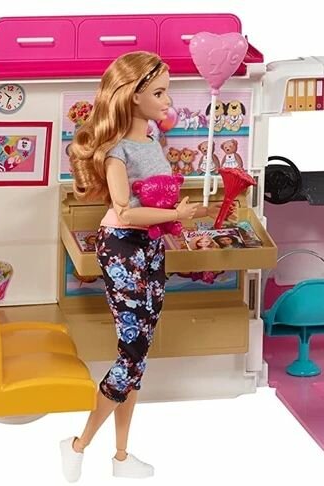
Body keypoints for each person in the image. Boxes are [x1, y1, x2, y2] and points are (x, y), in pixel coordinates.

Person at [61, 51, 221, 481]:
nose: (168, 101)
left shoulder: (152, 143)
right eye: (159, 93)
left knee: (138, 353)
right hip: (122, 247)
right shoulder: (117, 151)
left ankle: (121, 455)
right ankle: (78, 445)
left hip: (150, 247)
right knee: (131, 352)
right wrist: (175, 216)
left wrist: (191, 218)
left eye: (167, 92)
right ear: (133, 96)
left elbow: (157, 203)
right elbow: (125, 210)